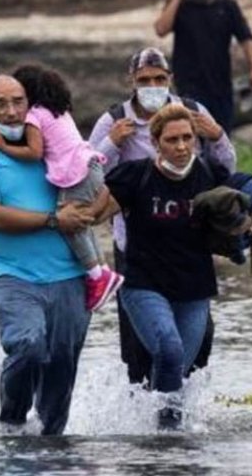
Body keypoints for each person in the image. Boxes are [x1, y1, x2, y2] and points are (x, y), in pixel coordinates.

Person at [89, 46, 236, 385]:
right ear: (132, 81)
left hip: (188, 241)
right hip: (136, 240)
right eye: (145, 80)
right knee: (144, 345)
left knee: (194, 345)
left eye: (159, 78)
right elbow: (86, 173)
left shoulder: (193, 113)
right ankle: (142, 407)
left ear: (170, 78)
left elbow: (224, 172)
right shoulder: (115, 120)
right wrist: (111, 143)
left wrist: (215, 135)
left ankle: (174, 413)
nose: (152, 85)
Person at [0, 75, 92, 435]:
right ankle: (11, 423)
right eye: (0, 104)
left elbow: (95, 191)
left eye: (18, 102)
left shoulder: (54, 146)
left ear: (31, 106)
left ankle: (51, 446)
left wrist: (90, 212)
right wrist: (53, 220)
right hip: (13, 274)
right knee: (28, 345)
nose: (12, 112)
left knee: (62, 367)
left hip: (70, 276)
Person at [97, 104, 233, 429]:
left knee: (179, 373)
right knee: (170, 350)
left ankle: (155, 432)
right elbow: (92, 214)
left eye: (188, 138)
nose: (182, 146)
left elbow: (240, 204)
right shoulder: (136, 175)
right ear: (156, 142)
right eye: (173, 139)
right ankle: (166, 439)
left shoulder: (208, 175)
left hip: (194, 288)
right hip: (143, 284)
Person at [0, 64, 123, 313]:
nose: (15, 108)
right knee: (80, 219)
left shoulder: (34, 116)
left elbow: (34, 151)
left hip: (77, 172)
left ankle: (96, 275)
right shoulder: (57, 110)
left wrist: (3, 147)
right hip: (90, 165)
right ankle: (103, 271)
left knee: (70, 223)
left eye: (19, 98)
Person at [153, 0, 252, 133]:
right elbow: (161, 29)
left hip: (220, 83)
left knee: (221, 135)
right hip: (189, 84)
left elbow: (246, 38)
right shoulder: (180, 4)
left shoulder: (227, 6)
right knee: (193, 135)